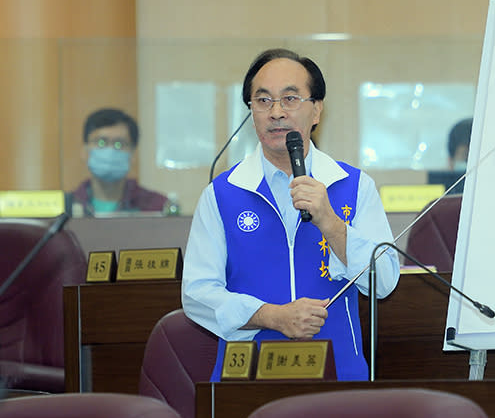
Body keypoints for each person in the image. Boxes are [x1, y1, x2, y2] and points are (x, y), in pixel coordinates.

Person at [182, 48, 400, 381]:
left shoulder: (354, 186)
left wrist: (329, 220)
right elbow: (197, 294)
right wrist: (271, 316)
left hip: (339, 371)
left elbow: (383, 282)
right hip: (247, 378)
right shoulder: (222, 193)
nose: (277, 112)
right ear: (251, 111)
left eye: (290, 98)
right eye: (263, 101)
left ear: (317, 110)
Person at [67, 108, 169, 216]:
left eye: (119, 144)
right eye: (101, 142)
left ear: (133, 154)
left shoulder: (156, 206)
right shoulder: (66, 206)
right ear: (85, 151)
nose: (110, 150)